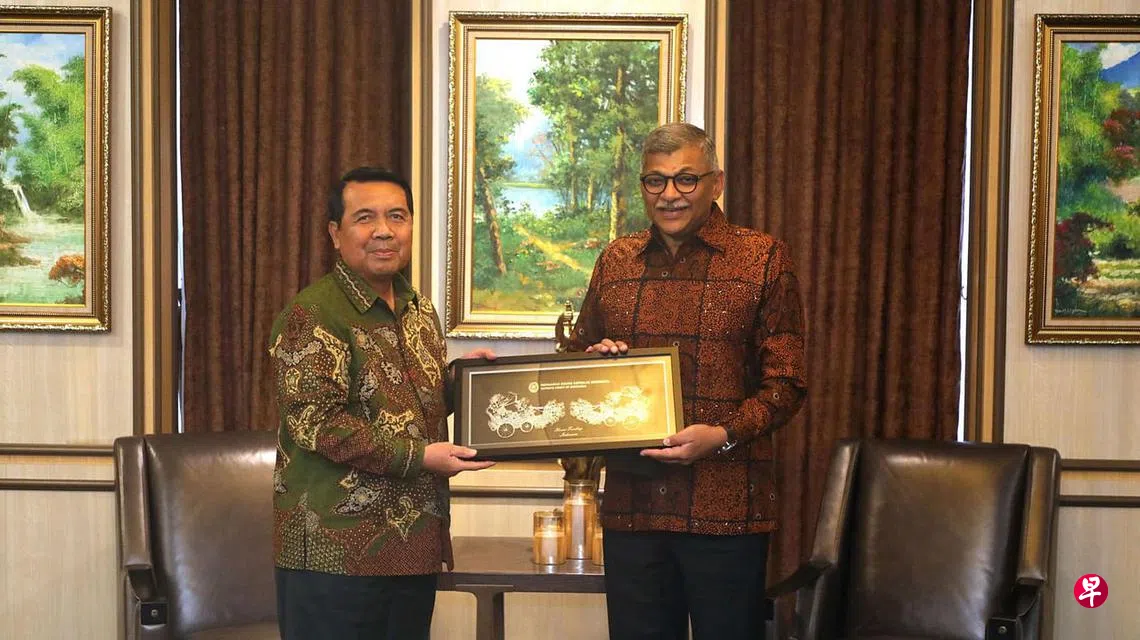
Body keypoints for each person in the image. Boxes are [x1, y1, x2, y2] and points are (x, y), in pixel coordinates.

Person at [567, 123, 808, 640]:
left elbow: (787, 383)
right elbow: (576, 362)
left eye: (685, 179)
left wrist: (722, 435)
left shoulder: (762, 258)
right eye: (655, 181)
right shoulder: (615, 260)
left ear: (715, 183)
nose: (669, 195)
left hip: (728, 510)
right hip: (634, 510)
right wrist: (595, 362)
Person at [269, 166, 494, 640]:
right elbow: (317, 423)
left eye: (397, 216)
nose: (384, 231)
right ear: (335, 234)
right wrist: (421, 457)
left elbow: (407, 402)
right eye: (365, 218)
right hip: (336, 554)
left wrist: (464, 382)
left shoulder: (419, 309)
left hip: (413, 547)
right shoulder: (313, 314)